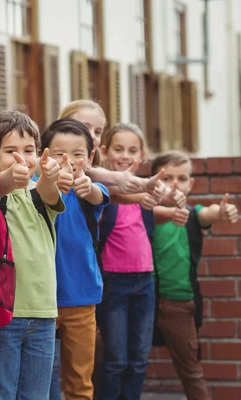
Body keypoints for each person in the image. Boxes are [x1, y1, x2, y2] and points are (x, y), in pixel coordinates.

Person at [0, 110, 65, 399]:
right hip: (4, 314)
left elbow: (48, 189)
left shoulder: (40, 194)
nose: (21, 158)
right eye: (10, 151)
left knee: (36, 395)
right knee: (1, 392)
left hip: (44, 315)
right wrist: (6, 178)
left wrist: (48, 173)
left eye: (29, 150)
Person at [151, 151, 238, 400]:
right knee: (120, 363)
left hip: (179, 302)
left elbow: (208, 213)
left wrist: (222, 211)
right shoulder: (142, 212)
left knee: (191, 371)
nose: (175, 185)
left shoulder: (193, 214)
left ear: (191, 184)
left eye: (182, 178)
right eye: (167, 178)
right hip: (141, 299)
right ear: (154, 180)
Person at [41, 118, 110, 400]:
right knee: (42, 378)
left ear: (91, 157)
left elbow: (98, 195)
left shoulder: (89, 189)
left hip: (81, 297)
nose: (68, 161)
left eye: (78, 154)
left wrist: (86, 185)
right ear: (43, 155)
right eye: (58, 154)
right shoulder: (34, 187)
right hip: (40, 300)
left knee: (80, 382)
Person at [97, 122, 161, 400]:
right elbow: (111, 199)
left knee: (138, 360)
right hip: (114, 285)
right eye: (118, 149)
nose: (125, 155)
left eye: (132, 150)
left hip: (145, 283)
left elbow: (166, 201)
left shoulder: (147, 194)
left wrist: (170, 196)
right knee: (115, 360)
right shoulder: (101, 191)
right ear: (103, 151)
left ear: (142, 154)